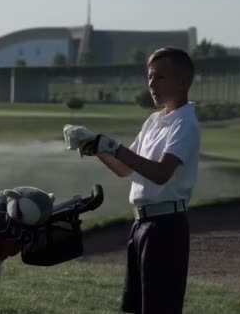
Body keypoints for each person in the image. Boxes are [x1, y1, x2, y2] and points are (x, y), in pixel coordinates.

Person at [63, 47, 200, 314]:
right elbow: (125, 168)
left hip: (166, 227)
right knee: (134, 307)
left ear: (182, 81)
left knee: (158, 308)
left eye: (160, 77)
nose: (151, 84)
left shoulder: (186, 124)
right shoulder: (153, 121)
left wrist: (113, 147)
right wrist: (96, 147)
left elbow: (161, 174)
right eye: (149, 77)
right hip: (141, 225)